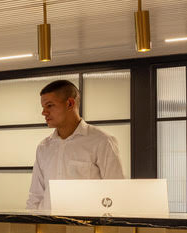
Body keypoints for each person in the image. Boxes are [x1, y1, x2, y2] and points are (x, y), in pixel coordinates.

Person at [26, 79, 125, 210]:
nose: (44, 113)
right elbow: (35, 195)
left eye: (49, 106)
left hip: (86, 222)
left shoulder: (102, 141)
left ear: (70, 104)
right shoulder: (43, 147)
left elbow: (116, 192)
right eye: (43, 107)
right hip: (47, 221)